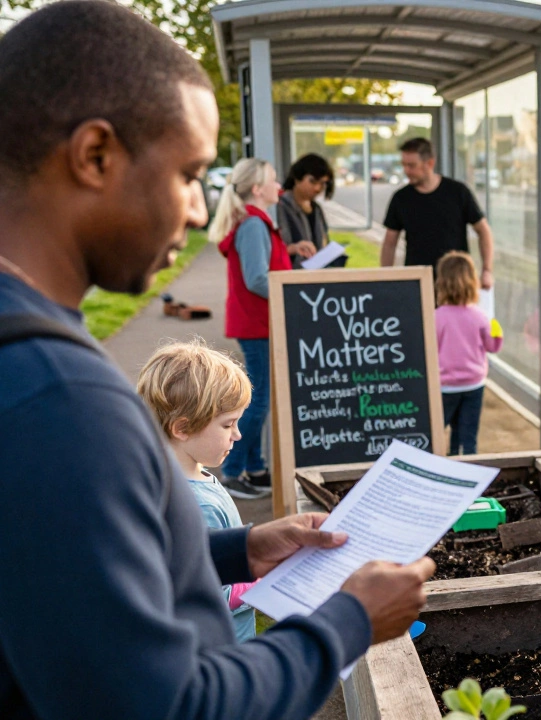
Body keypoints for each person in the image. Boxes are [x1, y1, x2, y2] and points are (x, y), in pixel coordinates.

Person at [0, 3, 434, 717]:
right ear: (95, 155)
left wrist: (239, 550)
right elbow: (173, 706)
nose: (202, 214)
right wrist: (347, 621)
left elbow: (63, 578)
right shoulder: (60, 401)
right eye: (188, 175)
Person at [136, 341, 259, 642]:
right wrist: (263, 581)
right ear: (182, 428)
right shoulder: (196, 505)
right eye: (228, 424)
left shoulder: (173, 478)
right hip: (224, 648)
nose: (237, 435)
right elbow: (210, 595)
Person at [210, 157, 287, 499]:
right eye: (273, 179)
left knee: (259, 399)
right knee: (256, 403)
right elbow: (257, 278)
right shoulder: (254, 225)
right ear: (258, 188)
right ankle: (233, 471)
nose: (278, 185)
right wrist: (290, 296)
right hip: (258, 323)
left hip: (258, 321)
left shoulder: (255, 222)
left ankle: (254, 468)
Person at [380, 137, 494, 289]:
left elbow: (483, 230)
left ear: (430, 163)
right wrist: (385, 278)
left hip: (456, 281)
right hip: (418, 281)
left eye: (412, 165)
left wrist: (487, 270)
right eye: (404, 165)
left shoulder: (458, 192)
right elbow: (389, 242)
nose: (406, 171)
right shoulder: (401, 198)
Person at [434, 250, 503, 455]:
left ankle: (449, 460)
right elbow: (493, 347)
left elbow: (430, 350)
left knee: (439, 432)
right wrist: (496, 330)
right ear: (472, 281)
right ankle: (469, 472)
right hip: (474, 384)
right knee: (469, 436)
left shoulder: (436, 317)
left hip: (445, 386)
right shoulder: (480, 316)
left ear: (441, 282)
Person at [278, 152, 341, 269]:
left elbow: (323, 241)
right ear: (297, 178)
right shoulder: (281, 206)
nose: (317, 188)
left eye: (323, 183)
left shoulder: (317, 209)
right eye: (312, 181)